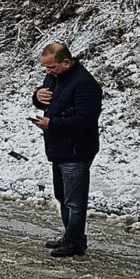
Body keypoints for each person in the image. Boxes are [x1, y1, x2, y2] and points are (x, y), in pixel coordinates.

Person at [30, 42, 102, 258]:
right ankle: (70, 236)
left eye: (51, 67)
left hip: (76, 149)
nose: (47, 72)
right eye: (45, 68)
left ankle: (75, 241)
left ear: (67, 62)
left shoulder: (85, 84)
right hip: (59, 147)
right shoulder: (55, 77)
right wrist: (37, 96)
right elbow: (49, 102)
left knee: (74, 200)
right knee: (62, 196)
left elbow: (85, 121)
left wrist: (51, 125)